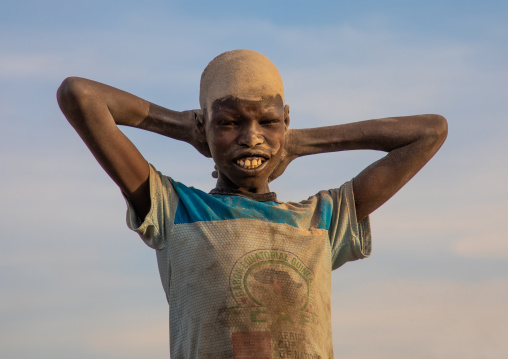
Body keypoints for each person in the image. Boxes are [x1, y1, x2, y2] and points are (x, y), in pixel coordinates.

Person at [57, 49, 447, 358]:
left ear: (286, 122)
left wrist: (298, 141)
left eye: (268, 122)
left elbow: (429, 132)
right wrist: (188, 127)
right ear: (204, 127)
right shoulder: (174, 209)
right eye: (229, 123)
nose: (251, 137)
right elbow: (80, 95)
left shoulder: (320, 221)